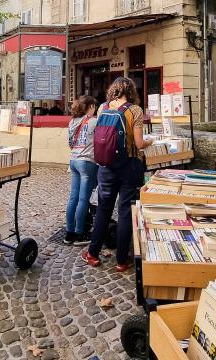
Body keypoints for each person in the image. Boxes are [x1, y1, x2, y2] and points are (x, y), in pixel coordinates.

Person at [82, 77, 153, 272]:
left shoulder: (103, 108)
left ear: (114, 90)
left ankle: (93, 253)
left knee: (103, 210)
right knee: (125, 213)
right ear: (131, 92)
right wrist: (150, 142)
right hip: (129, 166)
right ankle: (122, 260)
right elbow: (139, 143)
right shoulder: (135, 110)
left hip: (106, 166)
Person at [64, 95, 98, 246]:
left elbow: (70, 143)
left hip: (73, 161)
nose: (95, 110)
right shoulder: (93, 122)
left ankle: (69, 234)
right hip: (87, 162)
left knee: (73, 198)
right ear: (90, 107)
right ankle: (79, 235)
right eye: (94, 107)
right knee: (84, 199)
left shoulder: (72, 122)